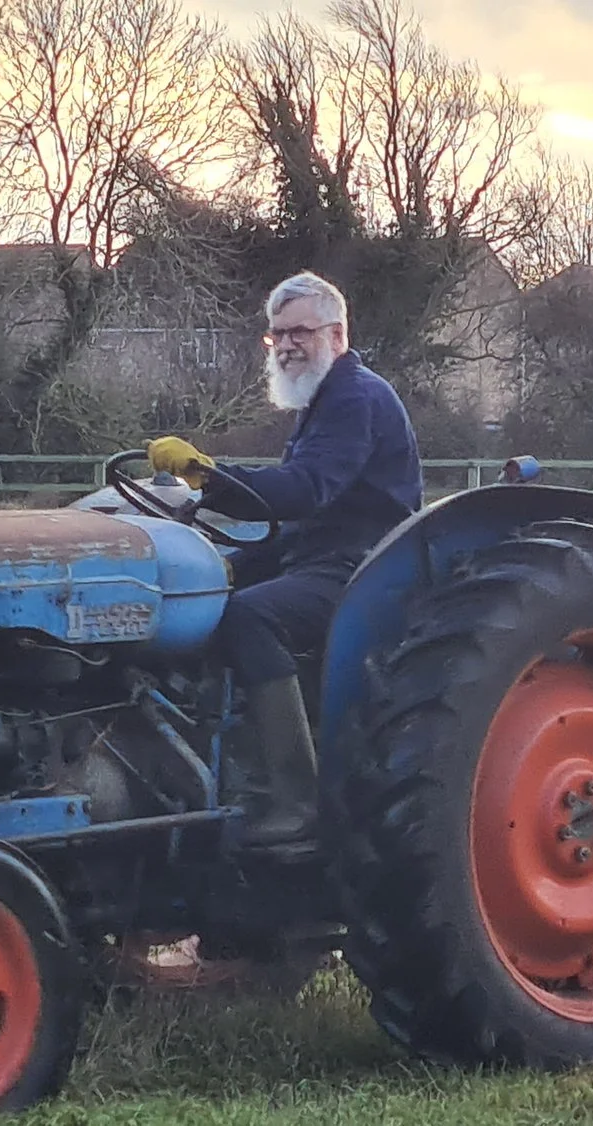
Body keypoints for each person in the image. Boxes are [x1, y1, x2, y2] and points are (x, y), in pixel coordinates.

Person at [147, 271, 421, 860]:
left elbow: (307, 490)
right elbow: (298, 520)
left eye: (300, 331)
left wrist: (210, 477)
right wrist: (226, 556)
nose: (288, 345)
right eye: (277, 336)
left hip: (364, 568)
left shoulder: (356, 397)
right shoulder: (323, 400)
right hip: (322, 553)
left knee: (249, 618)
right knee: (208, 595)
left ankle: (297, 800)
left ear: (337, 333)